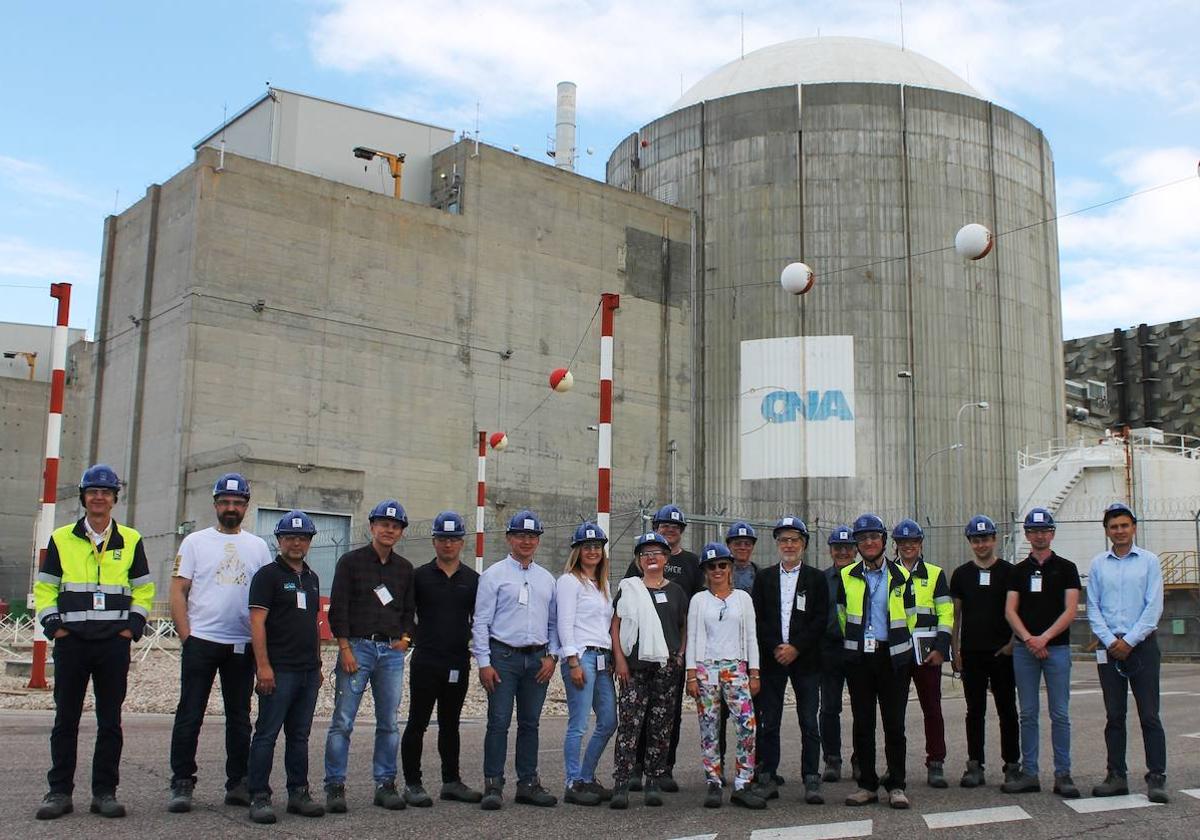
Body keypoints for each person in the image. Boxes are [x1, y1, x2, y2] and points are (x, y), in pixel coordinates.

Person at [34, 463, 155, 821]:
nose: (99, 497)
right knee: (65, 720)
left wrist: (133, 626)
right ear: (84, 498)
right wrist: (53, 625)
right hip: (72, 643)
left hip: (112, 645)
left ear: (114, 499)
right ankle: (59, 792)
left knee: (110, 722)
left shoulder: (131, 539)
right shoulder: (61, 538)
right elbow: (45, 588)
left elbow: (144, 588)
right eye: (93, 492)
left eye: (105, 492)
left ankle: (104, 792)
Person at [167, 473, 272, 812]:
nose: (231, 508)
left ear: (246, 506)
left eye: (237, 503)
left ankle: (238, 782)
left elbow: (267, 598)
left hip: (241, 645)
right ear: (215, 505)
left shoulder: (258, 546)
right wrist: (188, 637)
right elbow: (178, 591)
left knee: (239, 717)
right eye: (225, 502)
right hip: (202, 641)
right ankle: (182, 782)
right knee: (190, 714)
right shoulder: (195, 542)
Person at [323, 500, 416, 813]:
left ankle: (385, 784)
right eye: (383, 524)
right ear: (372, 527)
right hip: (358, 648)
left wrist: (405, 639)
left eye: (395, 526)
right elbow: (339, 608)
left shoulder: (404, 569)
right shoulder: (350, 563)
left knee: (389, 722)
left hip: (390, 653)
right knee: (343, 721)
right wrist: (345, 648)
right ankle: (335, 785)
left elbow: (408, 610)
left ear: (401, 532)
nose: (389, 530)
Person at [472, 510, 559, 810]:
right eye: (520, 535)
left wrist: (553, 657)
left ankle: (528, 783)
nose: (526, 541)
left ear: (538, 541)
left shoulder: (547, 579)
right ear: (509, 538)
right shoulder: (494, 575)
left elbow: (553, 623)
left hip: (536, 660)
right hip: (503, 658)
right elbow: (481, 622)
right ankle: (493, 784)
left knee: (530, 723)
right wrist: (484, 662)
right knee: (498, 722)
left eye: (532, 536)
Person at [246, 511, 325, 823]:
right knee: (266, 734)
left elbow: (314, 624)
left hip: (307, 671)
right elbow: (257, 623)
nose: (296, 542)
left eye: (302, 537)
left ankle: (298, 792)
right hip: (279, 670)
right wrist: (262, 667)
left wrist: (317, 665)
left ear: (309, 542)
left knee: (300, 736)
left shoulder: (312, 578)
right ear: (278, 540)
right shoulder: (267, 576)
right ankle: (259, 795)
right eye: (290, 537)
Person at [1085, 502, 1168, 803]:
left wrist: (1130, 641)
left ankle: (1156, 777)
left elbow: (1153, 606)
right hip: (1109, 648)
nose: (1119, 531)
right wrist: (1110, 641)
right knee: (1114, 715)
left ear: (1134, 527)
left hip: (1142, 646)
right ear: (1106, 531)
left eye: (1124, 525)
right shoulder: (1098, 564)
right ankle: (1116, 775)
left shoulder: (1149, 561)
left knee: (1149, 715)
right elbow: (1092, 606)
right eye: (1113, 527)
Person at [400, 511, 483, 807]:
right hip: (426, 660)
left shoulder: (473, 580)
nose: (448, 545)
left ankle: (451, 781)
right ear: (434, 542)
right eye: (443, 539)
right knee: (417, 723)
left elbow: (481, 620)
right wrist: (407, 638)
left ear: (462, 543)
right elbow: (407, 614)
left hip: (457, 662)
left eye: (454, 540)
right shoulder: (419, 576)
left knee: (451, 724)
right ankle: (413, 783)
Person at [838, 513, 917, 810]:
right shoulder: (848, 576)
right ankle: (867, 785)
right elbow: (842, 615)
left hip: (892, 657)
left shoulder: (902, 576)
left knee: (894, 724)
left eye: (874, 537)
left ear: (884, 541)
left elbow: (910, 617)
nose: (869, 542)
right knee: (863, 723)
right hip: (860, 658)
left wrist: (898, 647)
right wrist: (855, 646)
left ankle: (896, 784)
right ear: (857, 544)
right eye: (862, 538)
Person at [1001, 507, 1081, 799]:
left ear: (1052, 533)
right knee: (1029, 713)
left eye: (1044, 530)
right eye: (1033, 531)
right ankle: (1030, 773)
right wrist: (1028, 639)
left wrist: (1044, 638)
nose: (1039, 535)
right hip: (1025, 651)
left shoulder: (1067, 568)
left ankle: (1063, 773)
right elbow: (1010, 610)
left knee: (1060, 714)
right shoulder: (1018, 571)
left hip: (1056, 649)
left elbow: (1070, 609)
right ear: (1027, 535)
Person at [622, 503, 702, 792]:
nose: (669, 530)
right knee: (638, 713)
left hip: (672, 653)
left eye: (675, 526)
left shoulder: (692, 563)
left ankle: (664, 767)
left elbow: (693, 612)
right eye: (664, 526)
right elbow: (625, 604)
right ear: (655, 528)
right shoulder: (641, 561)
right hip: (642, 652)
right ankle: (637, 767)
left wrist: (684, 653)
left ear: (681, 531)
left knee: (669, 713)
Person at [751, 516, 828, 804]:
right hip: (773, 660)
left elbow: (821, 619)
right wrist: (777, 648)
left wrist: (795, 647)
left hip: (806, 660)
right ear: (777, 544)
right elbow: (759, 619)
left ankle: (811, 777)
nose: (789, 544)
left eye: (794, 539)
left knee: (809, 721)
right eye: (783, 540)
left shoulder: (816, 579)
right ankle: (768, 776)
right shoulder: (764, 578)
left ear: (804, 544)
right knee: (769, 720)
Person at [609, 533, 688, 810]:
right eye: (645, 554)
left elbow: (683, 625)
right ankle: (621, 782)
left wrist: (679, 656)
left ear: (666, 558)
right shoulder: (629, 588)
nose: (651, 557)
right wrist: (619, 659)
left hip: (666, 670)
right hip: (634, 669)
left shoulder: (677, 592)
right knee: (629, 726)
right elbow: (616, 625)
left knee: (660, 727)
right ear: (639, 560)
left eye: (657, 553)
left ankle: (653, 780)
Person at [686, 542, 766, 810]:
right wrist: (691, 675)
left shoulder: (743, 599)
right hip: (706, 668)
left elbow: (752, 637)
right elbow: (693, 636)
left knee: (746, 725)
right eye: (712, 566)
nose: (717, 570)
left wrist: (754, 672)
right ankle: (713, 780)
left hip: (736, 667)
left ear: (730, 568)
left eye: (722, 565)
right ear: (705, 571)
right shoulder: (699, 600)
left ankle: (743, 782)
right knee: (709, 727)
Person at [949, 515, 1019, 788]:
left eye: (985, 539)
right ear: (970, 542)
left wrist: (1013, 643)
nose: (981, 544)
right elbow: (956, 616)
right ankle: (975, 764)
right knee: (974, 710)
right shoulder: (961, 574)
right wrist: (955, 650)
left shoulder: (1010, 572)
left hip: (1003, 653)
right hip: (972, 653)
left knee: (1007, 710)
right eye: (976, 540)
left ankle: (1012, 764)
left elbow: (1017, 610)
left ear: (994, 540)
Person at [557, 522, 617, 806]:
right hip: (581, 656)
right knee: (578, 724)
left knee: (608, 720)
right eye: (587, 546)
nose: (592, 551)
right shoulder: (569, 581)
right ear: (577, 551)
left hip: (603, 657)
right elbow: (564, 623)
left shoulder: (602, 583)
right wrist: (572, 661)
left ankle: (586, 776)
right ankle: (573, 782)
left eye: (597, 547)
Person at [891, 519, 953, 788]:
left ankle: (936, 762)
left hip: (927, 654)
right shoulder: (887, 573)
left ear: (920, 544)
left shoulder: (935, 573)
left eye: (913, 542)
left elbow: (945, 613)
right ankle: (896, 767)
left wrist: (941, 648)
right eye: (903, 543)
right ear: (896, 545)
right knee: (894, 712)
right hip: (897, 651)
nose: (908, 547)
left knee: (932, 707)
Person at [819, 525, 857, 784]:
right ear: (830, 551)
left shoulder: (863, 576)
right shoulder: (821, 580)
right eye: (837, 548)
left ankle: (860, 759)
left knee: (861, 707)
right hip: (829, 648)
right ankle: (832, 759)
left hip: (857, 649)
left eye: (847, 548)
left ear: (855, 550)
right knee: (830, 707)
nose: (842, 552)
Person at [727, 521, 759, 594]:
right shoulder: (719, 572)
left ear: (752, 547)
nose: (742, 547)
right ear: (729, 546)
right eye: (737, 544)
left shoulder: (760, 574)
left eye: (747, 544)